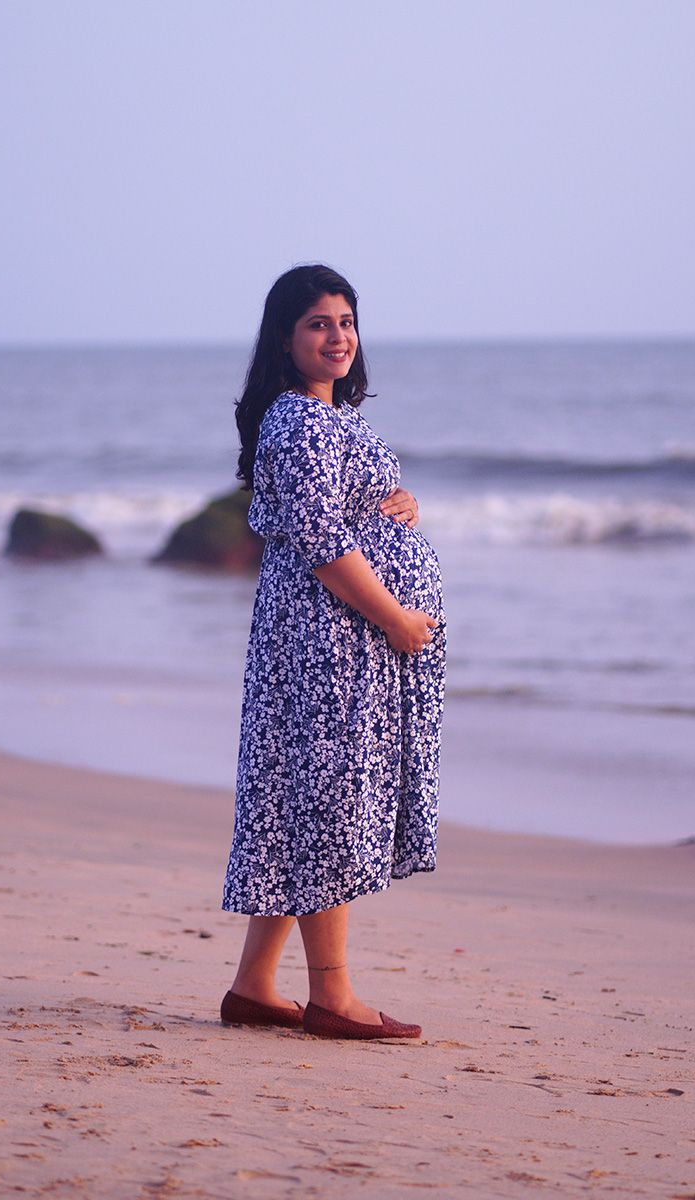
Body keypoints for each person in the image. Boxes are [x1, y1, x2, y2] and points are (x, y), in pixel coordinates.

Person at [220, 264, 446, 1040]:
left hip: (332, 638)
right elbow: (321, 541)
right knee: (329, 805)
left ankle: (254, 985)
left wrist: (398, 504)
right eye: (318, 323)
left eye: (346, 321)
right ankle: (332, 996)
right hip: (329, 642)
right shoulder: (299, 422)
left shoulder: (325, 418)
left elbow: (339, 511)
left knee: (301, 802)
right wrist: (395, 619)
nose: (338, 336)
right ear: (285, 339)